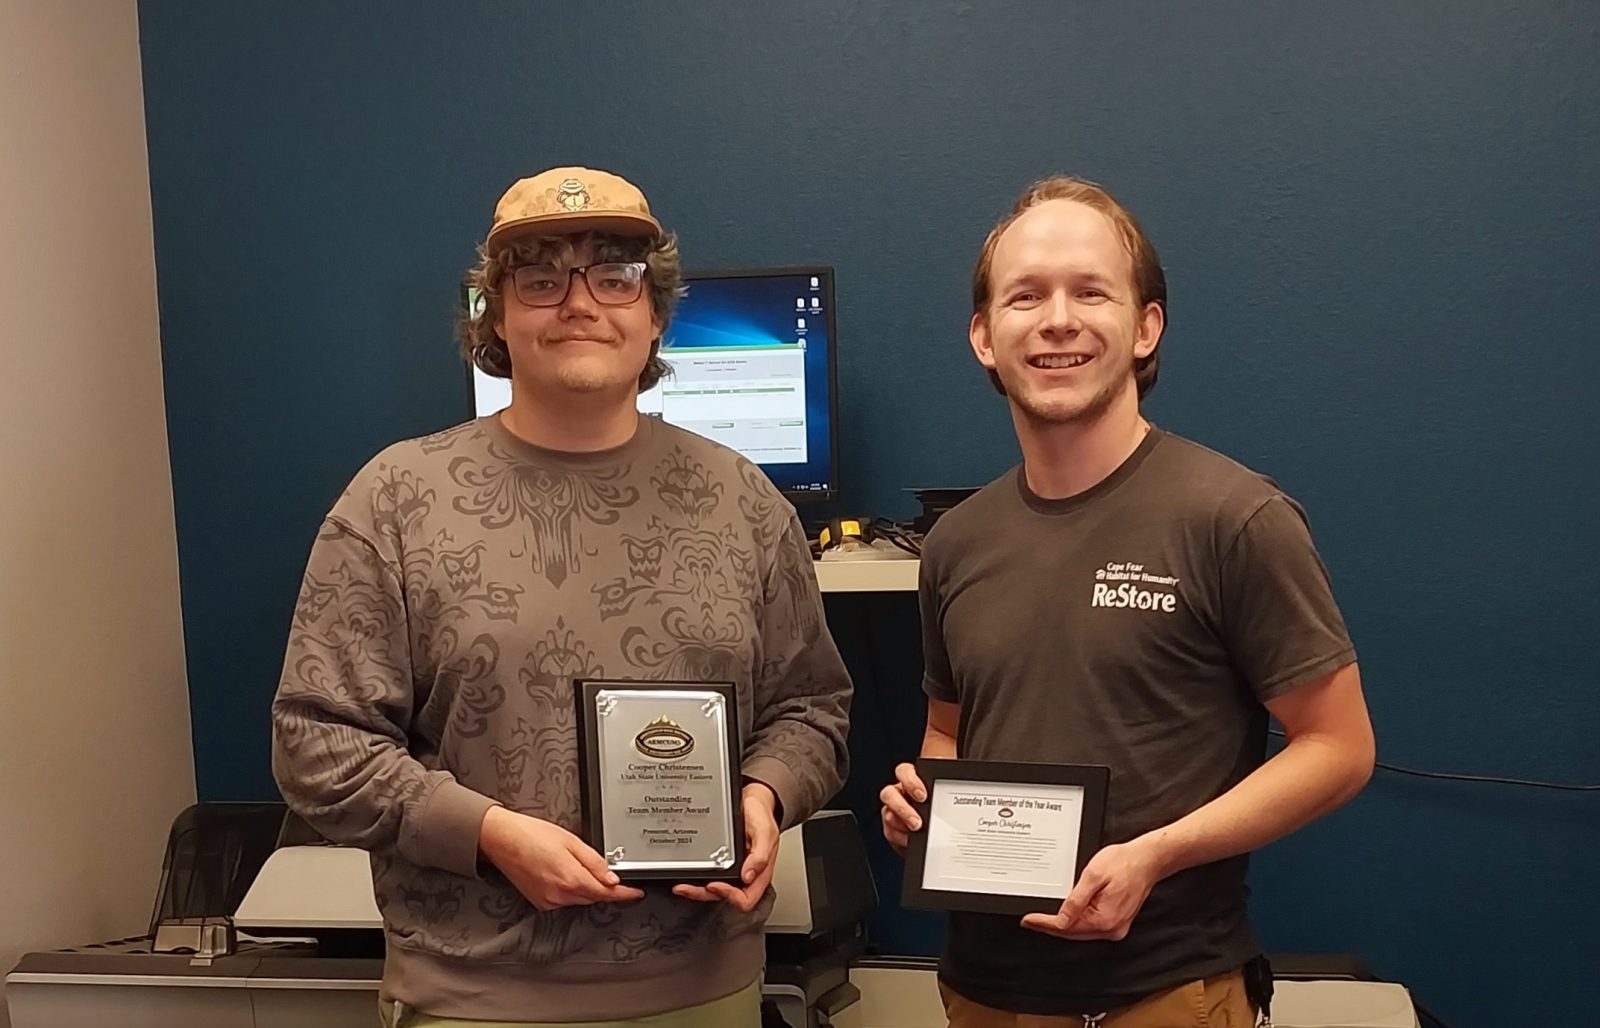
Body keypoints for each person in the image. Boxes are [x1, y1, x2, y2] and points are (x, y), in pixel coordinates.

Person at [271, 165, 852, 1027]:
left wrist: (764, 796)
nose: (579, 302)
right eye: (540, 279)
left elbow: (812, 708)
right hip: (473, 997)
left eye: (613, 276)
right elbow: (317, 745)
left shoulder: (743, 501)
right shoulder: (395, 497)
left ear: (655, 315)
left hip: (706, 990)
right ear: (494, 316)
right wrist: (488, 836)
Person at [880, 176, 1375, 1027]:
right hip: (982, 991)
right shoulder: (956, 543)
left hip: (1166, 991)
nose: (1058, 319)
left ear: (1146, 326)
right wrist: (922, 802)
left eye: (1090, 291)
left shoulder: (1232, 517)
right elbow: (949, 732)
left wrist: (1156, 854)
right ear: (984, 338)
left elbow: (1337, 748)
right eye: (1025, 296)